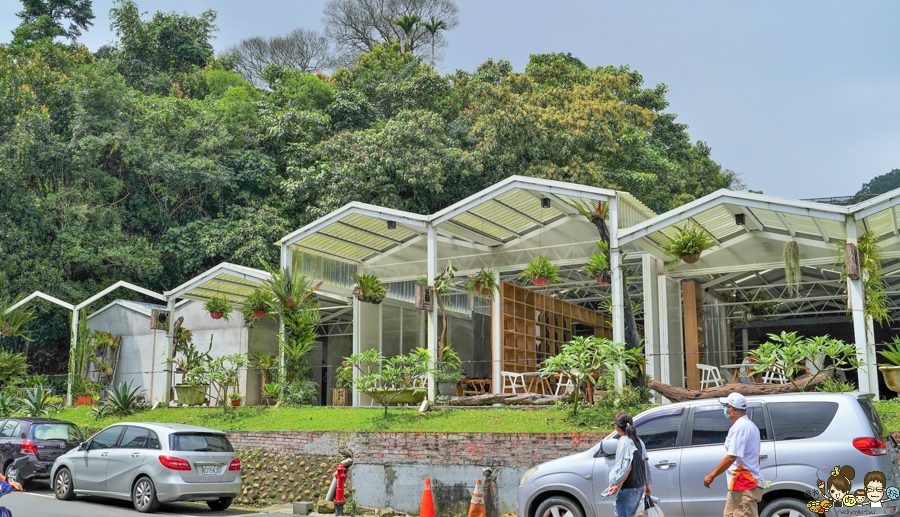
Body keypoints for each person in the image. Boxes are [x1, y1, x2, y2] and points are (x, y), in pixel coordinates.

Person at [703, 393, 762, 517]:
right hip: (738, 484)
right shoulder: (749, 426)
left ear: (731, 409)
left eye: (725, 406)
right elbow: (756, 458)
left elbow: (731, 457)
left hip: (743, 485)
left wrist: (712, 475)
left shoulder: (740, 428)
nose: (724, 409)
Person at [605, 412, 652, 517]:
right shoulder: (638, 441)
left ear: (617, 428)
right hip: (638, 486)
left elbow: (627, 468)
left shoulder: (624, 442)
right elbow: (644, 463)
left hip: (628, 488)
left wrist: (617, 486)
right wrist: (646, 484)